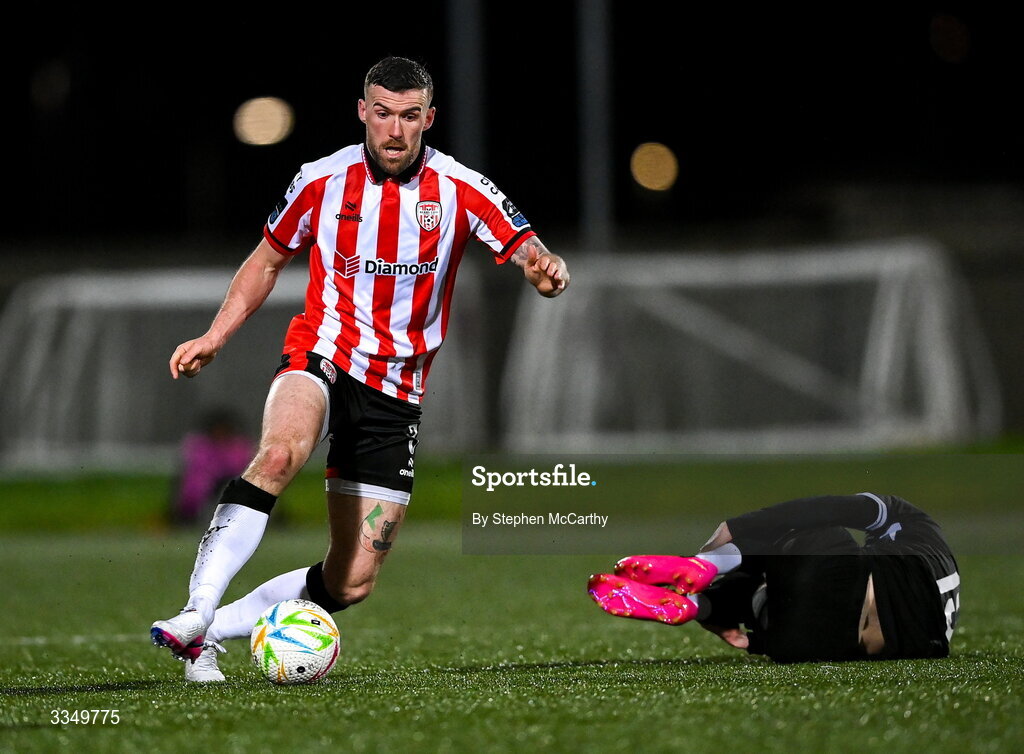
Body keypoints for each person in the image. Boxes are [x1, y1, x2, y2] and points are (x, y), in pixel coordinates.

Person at [151, 56, 569, 682]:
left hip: (397, 387)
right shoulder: (321, 180)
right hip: (322, 352)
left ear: (429, 118)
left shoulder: (460, 188)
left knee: (351, 581)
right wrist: (216, 335)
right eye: (381, 114)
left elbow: (526, 245)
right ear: (362, 113)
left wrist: (544, 265)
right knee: (279, 454)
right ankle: (195, 610)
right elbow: (266, 261)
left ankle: (211, 634)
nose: (394, 131)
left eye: (408, 117)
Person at [588, 493, 960, 662]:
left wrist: (738, 526)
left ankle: (707, 566)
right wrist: (752, 641)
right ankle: (700, 605)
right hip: (817, 645)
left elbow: (826, 508)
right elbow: (750, 643)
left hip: (824, 599)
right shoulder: (927, 553)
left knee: (808, 532)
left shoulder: (908, 518)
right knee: (778, 596)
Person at [169, 409, 254, 526]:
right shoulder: (199, 445)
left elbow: (241, 466)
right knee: (201, 485)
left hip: (232, 484)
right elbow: (198, 467)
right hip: (208, 487)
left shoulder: (239, 445)